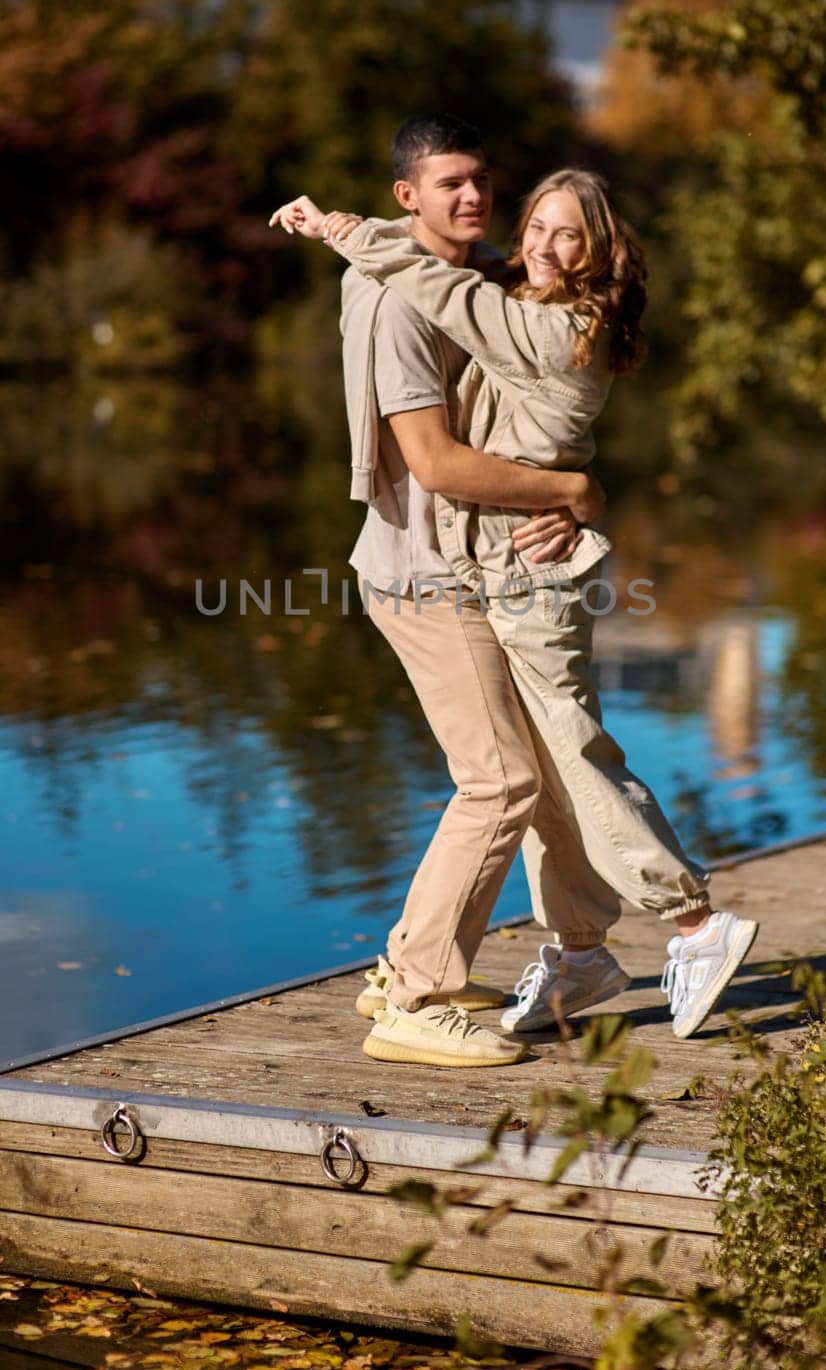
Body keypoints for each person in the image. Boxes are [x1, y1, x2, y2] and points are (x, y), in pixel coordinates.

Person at [271, 158, 760, 1050]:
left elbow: (441, 286)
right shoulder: (523, 291)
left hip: (531, 577)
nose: (538, 244)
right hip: (497, 564)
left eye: (565, 234)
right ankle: (580, 952)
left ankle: (693, 921)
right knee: (535, 770)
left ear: (598, 250)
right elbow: (452, 262)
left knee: (570, 756)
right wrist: (354, 227)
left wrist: (341, 232)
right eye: (535, 225)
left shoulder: (559, 327)